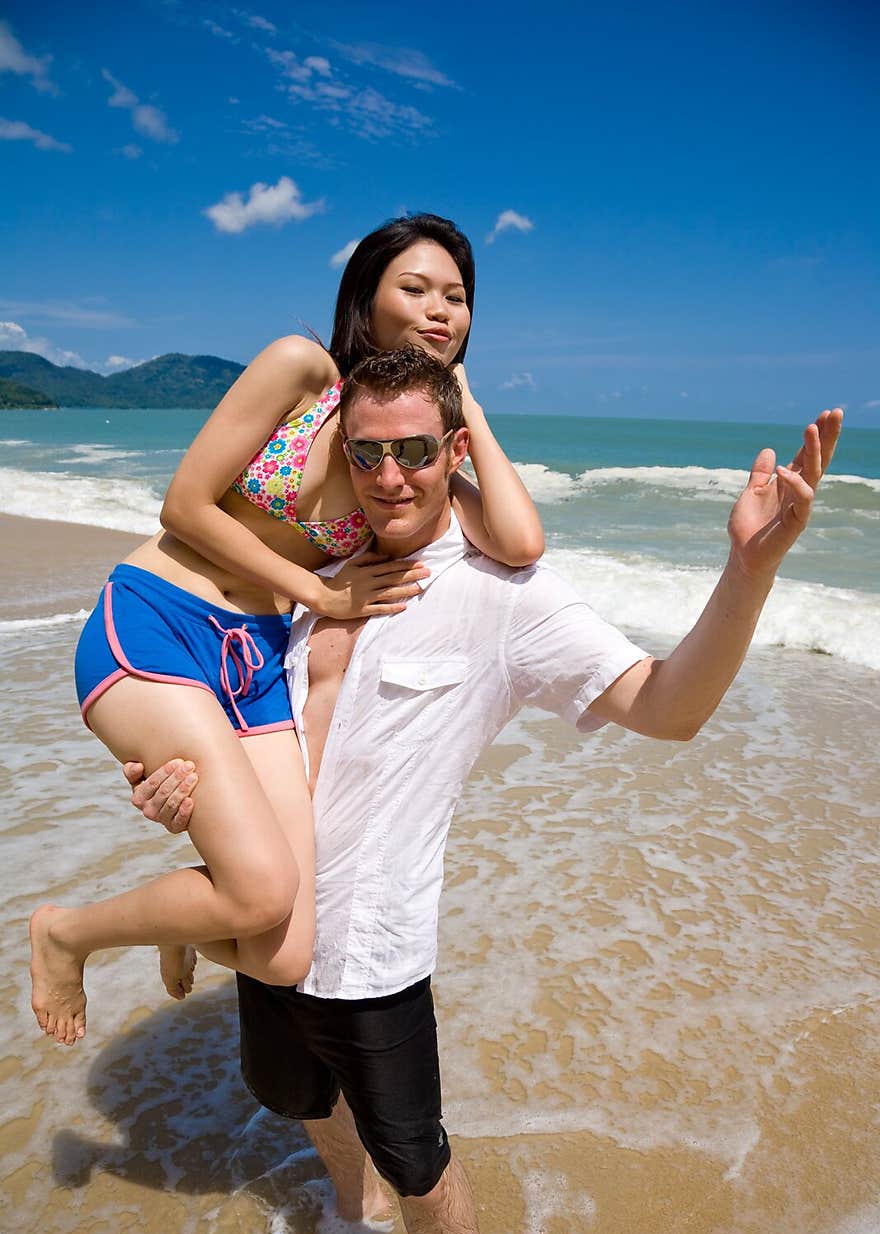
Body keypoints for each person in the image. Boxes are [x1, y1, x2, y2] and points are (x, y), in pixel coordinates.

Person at [126, 345, 843, 1234]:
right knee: (297, 1097)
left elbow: (667, 705)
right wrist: (171, 794)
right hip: (270, 925)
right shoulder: (314, 570)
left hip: (372, 953)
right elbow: (227, 731)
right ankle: (347, 1206)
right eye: (367, 452)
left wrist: (747, 571)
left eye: (415, 451)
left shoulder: (504, 597)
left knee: (420, 1163)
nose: (388, 476)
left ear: (455, 447)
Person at [28, 213, 544, 1048]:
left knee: (287, 948)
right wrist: (323, 594)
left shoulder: (403, 454)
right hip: (161, 620)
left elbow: (519, 541)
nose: (441, 309)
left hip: (258, 665)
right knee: (261, 893)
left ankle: (181, 919)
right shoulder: (303, 375)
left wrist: (469, 410)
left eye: (457, 296)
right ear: (366, 300)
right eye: (414, 289)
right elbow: (184, 505)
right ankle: (66, 932)